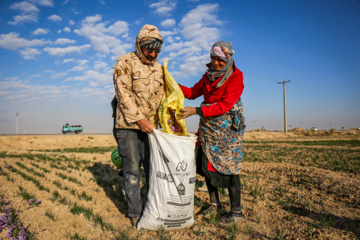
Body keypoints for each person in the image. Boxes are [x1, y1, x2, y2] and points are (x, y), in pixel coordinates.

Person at [177, 41, 245, 225]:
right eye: (213, 58)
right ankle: (214, 204)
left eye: (220, 59)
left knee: (229, 169)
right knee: (207, 165)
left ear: (228, 58)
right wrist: (173, 85)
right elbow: (192, 92)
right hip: (208, 130)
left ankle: (236, 212)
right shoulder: (208, 77)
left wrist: (196, 111)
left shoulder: (236, 77)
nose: (215, 63)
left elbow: (224, 105)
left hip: (227, 133)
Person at [112, 24, 164, 227]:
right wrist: (140, 119)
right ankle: (135, 214)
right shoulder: (124, 61)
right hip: (128, 127)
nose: (152, 54)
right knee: (132, 172)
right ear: (139, 45)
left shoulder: (159, 68)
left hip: (150, 128)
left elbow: (162, 96)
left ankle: (152, 211)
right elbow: (123, 94)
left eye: (156, 51)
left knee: (152, 170)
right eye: (148, 49)